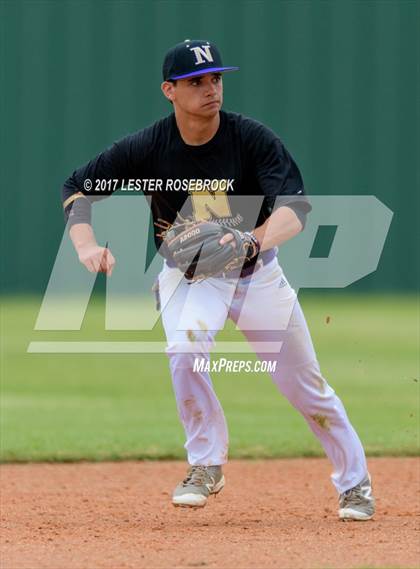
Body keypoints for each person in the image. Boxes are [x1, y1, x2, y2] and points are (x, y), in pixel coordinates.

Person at [62, 39, 375, 521]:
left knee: (305, 388)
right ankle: (206, 464)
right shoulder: (148, 147)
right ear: (169, 90)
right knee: (185, 352)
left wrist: (251, 240)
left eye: (216, 79)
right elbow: (76, 188)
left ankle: (355, 485)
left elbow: (295, 212)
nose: (210, 89)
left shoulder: (252, 139)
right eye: (195, 82)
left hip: (256, 274)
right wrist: (85, 245)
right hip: (189, 277)